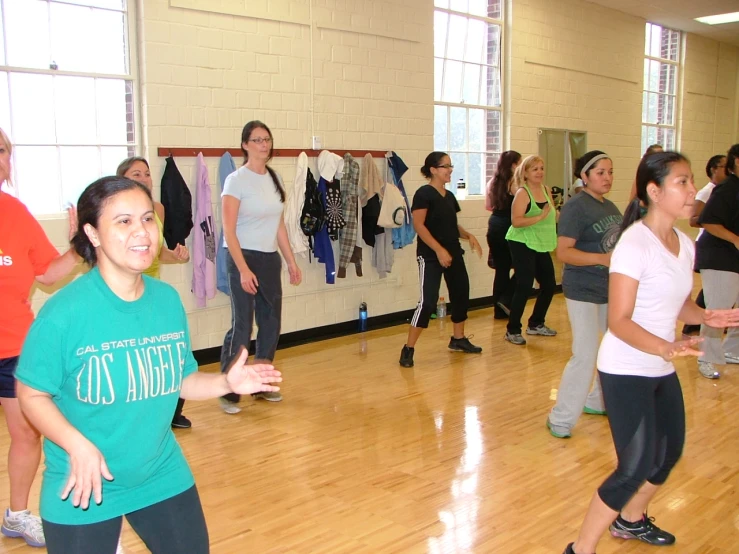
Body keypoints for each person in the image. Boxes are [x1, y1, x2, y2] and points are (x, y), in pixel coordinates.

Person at [14, 176, 282, 553]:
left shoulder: (167, 301)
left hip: (159, 472)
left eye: (146, 219)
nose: (141, 232)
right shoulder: (64, 314)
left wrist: (226, 382)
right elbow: (31, 393)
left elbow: (181, 379)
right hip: (83, 481)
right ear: (92, 234)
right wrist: (77, 445)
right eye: (123, 222)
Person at [562, 151, 739, 554]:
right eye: (682, 182)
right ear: (654, 191)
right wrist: (666, 345)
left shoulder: (684, 243)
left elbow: (678, 303)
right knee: (634, 466)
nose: (693, 189)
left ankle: (630, 520)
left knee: (668, 453)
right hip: (626, 368)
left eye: (692, 181)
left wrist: (708, 316)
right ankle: (580, 548)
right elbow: (620, 320)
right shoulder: (633, 244)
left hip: (660, 365)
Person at [0, 128, 79, 548]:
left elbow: (47, 273)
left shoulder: (15, 212)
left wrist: (84, 245)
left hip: (13, 348)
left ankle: (16, 515)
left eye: (1, 151)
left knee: (28, 434)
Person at [219, 121, 302, 414]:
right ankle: (229, 389)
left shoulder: (274, 177)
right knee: (242, 325)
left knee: (270, 322)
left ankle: (262, 384)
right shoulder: (236, 180)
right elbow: (228, 231)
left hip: (269, 260)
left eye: (267, 139)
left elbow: (277, 224)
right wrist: (242, 269)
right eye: (257, 140)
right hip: (242, 257)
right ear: (245, 145)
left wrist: (291, 260)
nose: (263, 145)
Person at [546, 151, 622, 438]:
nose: (607, 178)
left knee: (614, 349)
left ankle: (597, 400)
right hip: (582, 291)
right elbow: (564, 252)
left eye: (610, 171)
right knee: (586, 353)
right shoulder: (577, 206)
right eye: (601, 172)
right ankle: (561, 418)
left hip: (609, 290)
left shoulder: (610, 206)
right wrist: (602, 259)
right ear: (585, 175)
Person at [116, 157, 192, 428]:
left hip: (151, 291)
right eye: (136, 173)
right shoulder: (113, 212)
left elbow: (157, 253)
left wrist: (176, 255)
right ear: (123, 178)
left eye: (147, 174)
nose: (144, 178)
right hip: (123, 292)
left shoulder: (157, 209)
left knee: (169, 349)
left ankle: (171, 412)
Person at [399, 151, 483, 368]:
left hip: (453, 252)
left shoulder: (450, 196)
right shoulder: (423, 194)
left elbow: (450, 225)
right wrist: (438, 250)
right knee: (428, 302)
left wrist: (468, 235)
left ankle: (458, 339)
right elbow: (419, 225)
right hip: (430, 255)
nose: (450, 170)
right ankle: (408, 349)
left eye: (450, 166)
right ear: (433, 170)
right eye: (445, 166)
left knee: (461, 293)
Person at [694, 144, 739, 379]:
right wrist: (735, 239)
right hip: (719, 258)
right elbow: (707, 220)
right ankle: (706, 358)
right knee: (718, 310)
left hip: (735, 259)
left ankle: (731, 350)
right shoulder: (726, 189)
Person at [504, 155, 557, 345]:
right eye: (535, 169)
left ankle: (536, 323)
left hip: (540, 242)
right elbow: (516, 222)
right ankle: (512, 329)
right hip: (521, 241)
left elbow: (552, 215)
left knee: (549, 284)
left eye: (542, 168)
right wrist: (540, 217)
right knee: (525, 284)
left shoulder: (546, 190)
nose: (540, 172)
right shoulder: (522, 193)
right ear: (525, 173)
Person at [683, 154, 727, 336]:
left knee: (717, 287)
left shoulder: (726, 190)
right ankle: (694, 322)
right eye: (724, 166)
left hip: (722, 246)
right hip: (707, 245)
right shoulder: (707, 191)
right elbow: (693, 220)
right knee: (712, 288)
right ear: (713, 169)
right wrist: (718, 221)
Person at [485, 150, 521, 320]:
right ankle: (506, 300)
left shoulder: (492, 182)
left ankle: (499, 310)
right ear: (514, 164)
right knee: (522, 266)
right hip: (508, 226)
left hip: (494, 224)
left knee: (501, 270)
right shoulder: (513, 182)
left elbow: (488, 206)